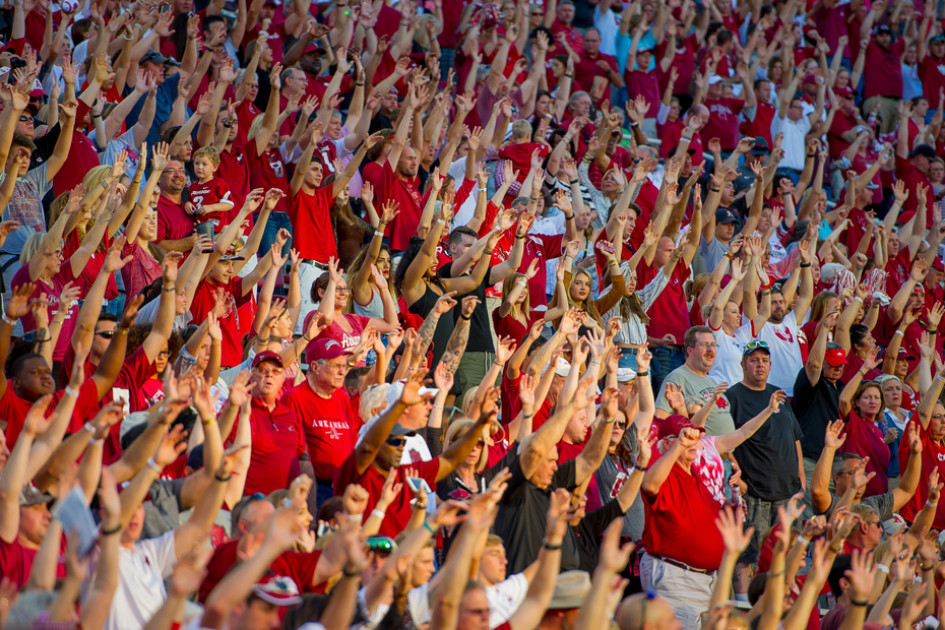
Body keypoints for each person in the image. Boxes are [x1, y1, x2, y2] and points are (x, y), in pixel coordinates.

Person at [723, 340, 799, 596]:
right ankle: (746, 609)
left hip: (787, 494)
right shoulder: (732, 397)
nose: (760, 365)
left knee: (786, 555)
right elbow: (723, 442)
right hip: (754, 495)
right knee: (750, 557)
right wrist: (740, 480)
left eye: (764, 360)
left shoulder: (779, 396)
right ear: (743, 364)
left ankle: (780, 608)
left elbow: (794, 437)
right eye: (754, 360)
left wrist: (801, 479)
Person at [655, 326, 736, 436]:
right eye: (704, 345)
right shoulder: (677, 378)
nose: (710, 350)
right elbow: (659, 418)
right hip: (698, 450)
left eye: (713, 345)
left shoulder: (711, 381)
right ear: (690, 350)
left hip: (722, 452)